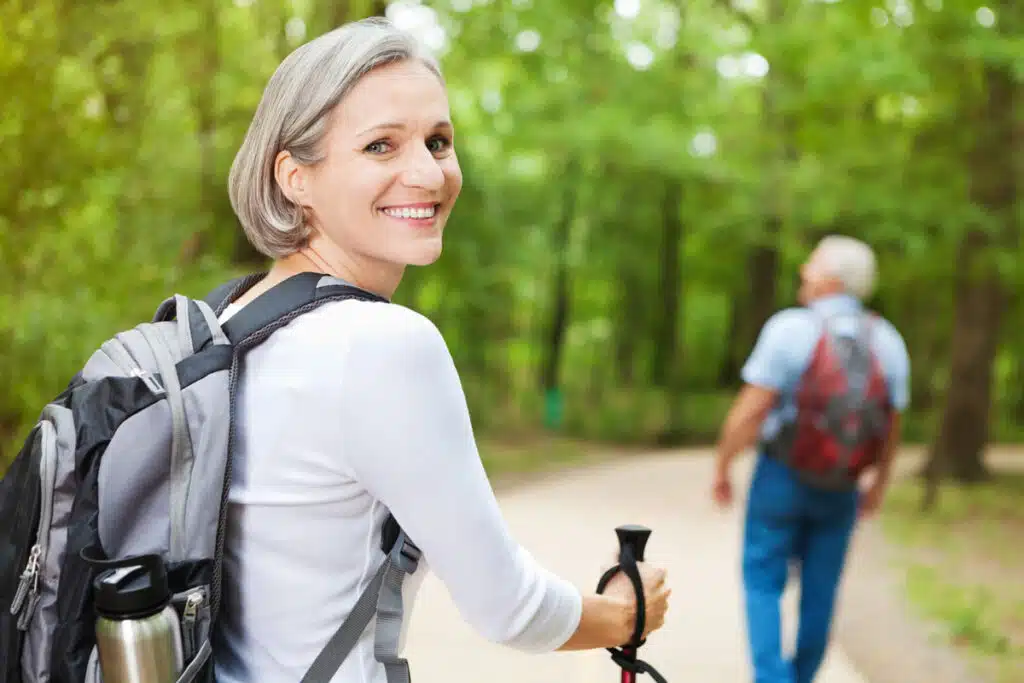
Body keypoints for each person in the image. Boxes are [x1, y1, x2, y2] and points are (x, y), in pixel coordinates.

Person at [210, 17, 671, 683]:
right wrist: (624, 613)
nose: (427, 172)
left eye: (438, 140)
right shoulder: (382, 345)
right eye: (380, 146)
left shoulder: (229, 317)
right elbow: (507, 606)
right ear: (294, 177)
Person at [711, 235, 910, 683]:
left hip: (781, 476)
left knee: (762, 581)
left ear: (830, 279)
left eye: (813, 264)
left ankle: (771, 678)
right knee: (821, 592)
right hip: (842, 487)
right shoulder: (888, 340)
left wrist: (722, 467)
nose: (804, 270)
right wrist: (877, 485)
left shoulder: (791, 329)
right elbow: (891, 428)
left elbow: (750, 411)